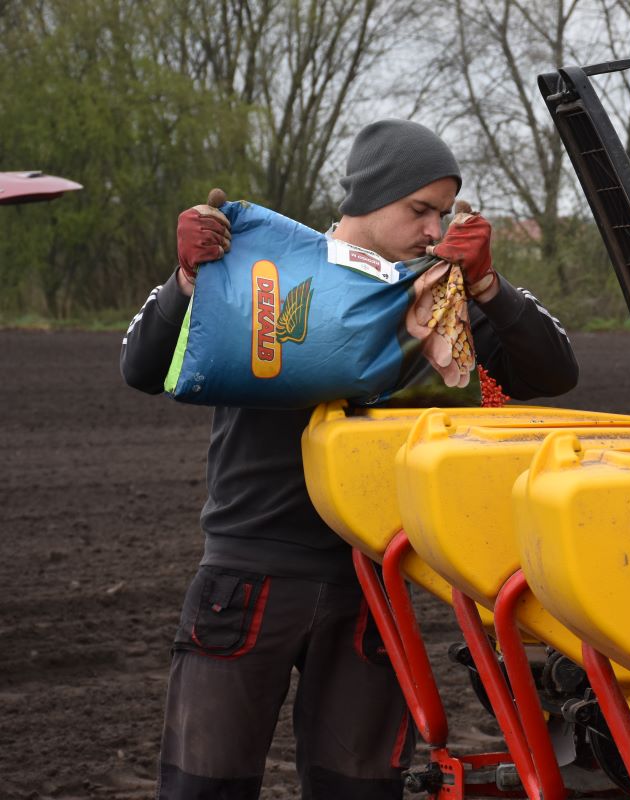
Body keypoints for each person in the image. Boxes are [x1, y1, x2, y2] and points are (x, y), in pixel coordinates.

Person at [121, 119, 579, 799]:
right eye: (418, 209)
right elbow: (140, 365)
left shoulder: (436, 298)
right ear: (368, 197)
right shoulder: (262, 271)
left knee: (359, 791)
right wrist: (185, 279)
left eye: (444, 211)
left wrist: (488, 288)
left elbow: (554, 370)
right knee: (202, 788)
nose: (433, 228)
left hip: (375, 577)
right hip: (249, 574)